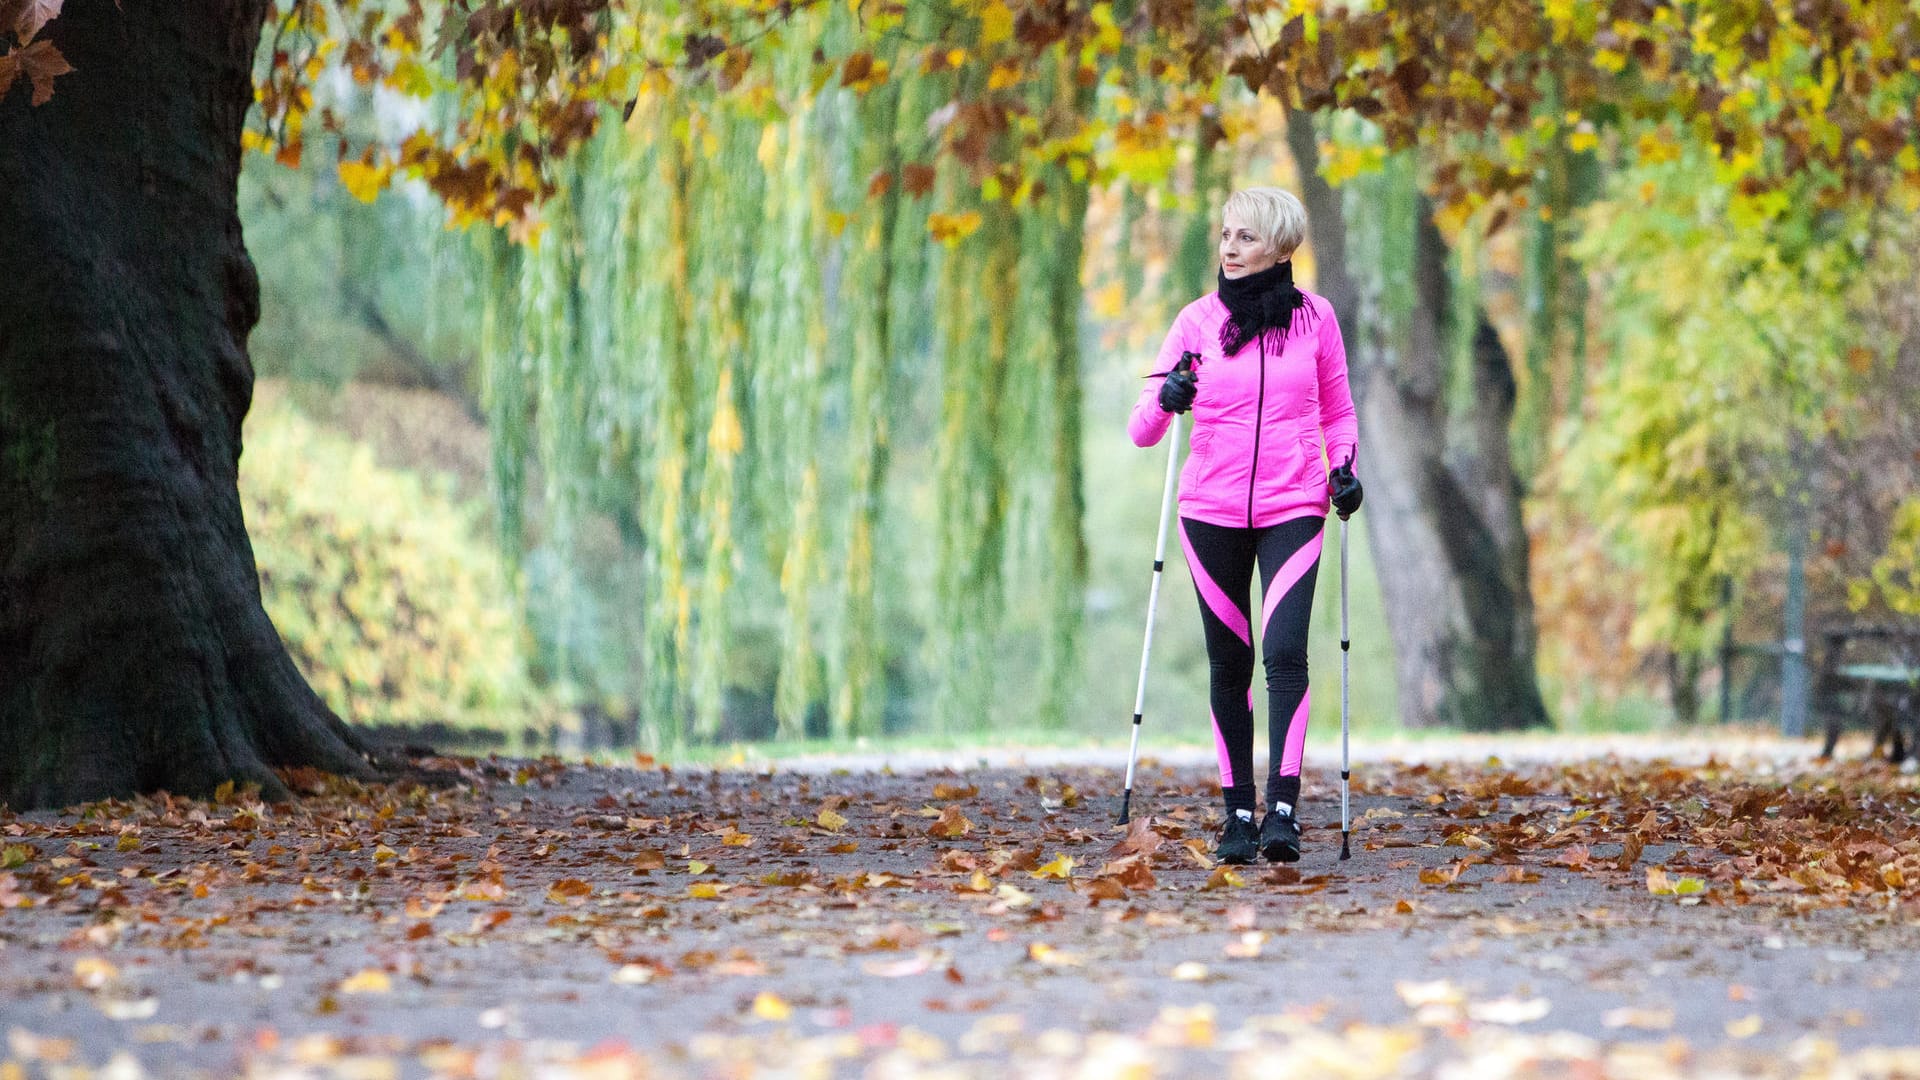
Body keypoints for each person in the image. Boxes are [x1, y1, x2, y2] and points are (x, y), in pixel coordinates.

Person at [1127, 186, 1363, 865]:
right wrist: (1169, 398)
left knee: (1285, 651)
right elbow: (1142, 428)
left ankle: (1283, 810)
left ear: (1280, 246)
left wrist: (1342, 469)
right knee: (1229, 662)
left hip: (1295, 502)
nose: (1228, 247)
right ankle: (1237, 814)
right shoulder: (1196, 322)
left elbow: (1338, 414)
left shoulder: (1316, 320)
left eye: (1245, 237)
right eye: (1225, 233)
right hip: (1211, 511)